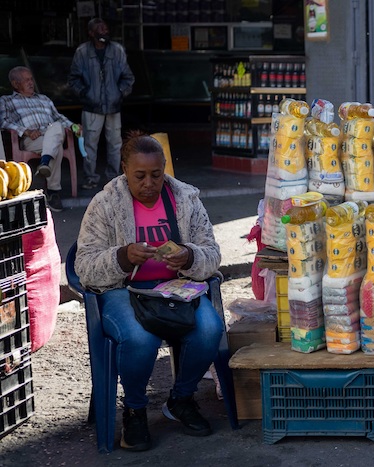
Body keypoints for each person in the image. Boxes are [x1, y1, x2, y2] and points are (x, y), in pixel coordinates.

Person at [74, 132, 223, 452]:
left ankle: (181, 399)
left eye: (156, 175)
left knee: (210, 329)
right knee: (140, 338)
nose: (148, 184)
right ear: (124, 170)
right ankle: (135, 410)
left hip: (175, 288)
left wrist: (189, 256)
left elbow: (212, 252)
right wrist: (122, 257)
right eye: (139, 176)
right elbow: (83, 265)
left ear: (165, 169)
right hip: (123, 290)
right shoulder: (105, 204)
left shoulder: (185, 199)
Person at [0, 66, 80, 212]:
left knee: (56, 126)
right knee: (57, 147)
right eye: (26, 80)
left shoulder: (44, 99)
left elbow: (59, 118)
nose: (31, 83)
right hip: (33, 140)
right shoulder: (7, 101)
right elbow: (3, 121)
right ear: (15, 84)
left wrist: (74, 126)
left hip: (52, 134)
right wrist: (26, 131)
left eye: (31, 79)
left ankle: (45, 162)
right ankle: (53, 191)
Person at [69, 17, 135, 190]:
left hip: (114, 107)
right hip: (91, 107)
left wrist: (119, 93)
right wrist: (85, 94)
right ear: (91, 33)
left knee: (115, 144)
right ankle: (90, 178)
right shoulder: (82, 52)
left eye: (105, 28)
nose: (104, 31)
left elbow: (128, 78)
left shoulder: (117, 50)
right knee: (89, 144)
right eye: (99, 28)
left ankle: (114, 178)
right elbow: (73, 79)